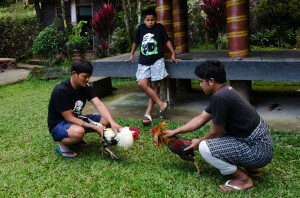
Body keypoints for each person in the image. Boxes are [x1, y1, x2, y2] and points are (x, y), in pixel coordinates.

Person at [166, 60, 274, 192]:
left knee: (205, 148)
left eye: (201, 81)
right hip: (260, 145)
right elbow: (201, 118)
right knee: (218, 138)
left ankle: (244, 180)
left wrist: (198, 142)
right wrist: (175, 131)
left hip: (258, 151)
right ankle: (252, 168)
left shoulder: (220, 98)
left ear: (211, 81)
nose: (200, 85)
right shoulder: (225, 91)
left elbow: (217, 133)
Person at [48, 59, 122, 158]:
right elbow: (69, 118)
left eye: (89, 76)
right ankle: (63, 144)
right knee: (78, 132)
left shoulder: (85, 87)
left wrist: (112, 122)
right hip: (59, 124)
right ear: (74, 73)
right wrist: (94, 127)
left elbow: (99, 104)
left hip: (76, 119)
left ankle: (76, 140)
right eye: (85, 76)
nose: (87, 79)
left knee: (105, 120)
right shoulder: (61, 90)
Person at [125, 8, 179, 126]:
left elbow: (167, 41)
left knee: (154, 85)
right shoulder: (141, 28)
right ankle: (161, 104)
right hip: (143, 61)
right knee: (141, 83)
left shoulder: (159, 27)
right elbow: (135, 41)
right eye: (148, 20)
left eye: (152, 20)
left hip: (157, 61)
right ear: (144, 20)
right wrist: (131, 54)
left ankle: (148, 112)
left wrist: (173, 53)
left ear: (156, 19)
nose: (150, 22)